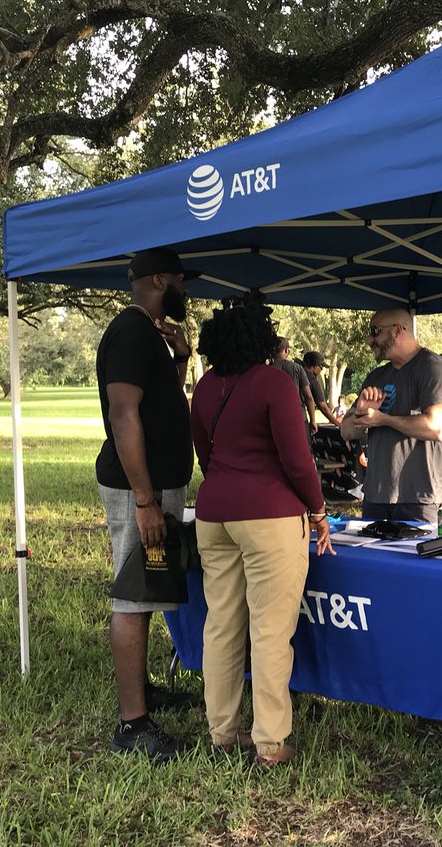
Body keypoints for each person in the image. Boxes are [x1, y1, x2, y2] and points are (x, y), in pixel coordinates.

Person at [190, 296, 333, 767]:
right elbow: (298, 459)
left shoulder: (206, 387)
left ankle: (222, 733)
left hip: (214, 515)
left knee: (222, 624)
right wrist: (317, 510)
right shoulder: (273, 382)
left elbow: (204, 456)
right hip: (269, 516)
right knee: (270, 631)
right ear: (262, 339)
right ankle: (270, 744)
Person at [96, 246, 200, 762]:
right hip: (140, 488)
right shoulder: (132, 332)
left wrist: (179, 358)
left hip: (156, 486)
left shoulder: (151, 334)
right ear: (161, 279)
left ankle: (145, 690)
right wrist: (144, 500)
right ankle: (132, 723)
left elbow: (159, 404)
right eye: (181, 280)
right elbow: (123, 413)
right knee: (134, 596)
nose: (187, 289)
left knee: (149, 586)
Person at [339, 307, 442, 524]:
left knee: (416, 558)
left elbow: (438, 427)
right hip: (376, 497)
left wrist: (383, 419)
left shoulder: (433, 368)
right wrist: (361, 415)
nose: (369, 339)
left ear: (398, 330)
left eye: (375, 331)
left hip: (418, 499)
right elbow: (346, 431)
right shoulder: (377, 376)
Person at [269, 337, 318, 436]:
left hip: (274, 418)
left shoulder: (267, 369)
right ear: (287, 350)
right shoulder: (297, 368)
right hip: (298, 416)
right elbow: (308, 396)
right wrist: (313, 420)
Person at [301, 351, 342, 427]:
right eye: (321, 366)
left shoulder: (296, 372)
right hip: (299, 417)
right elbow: (323, 407)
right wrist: (339, 425)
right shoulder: (311, 379)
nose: (322, 369)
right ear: (313, 366)